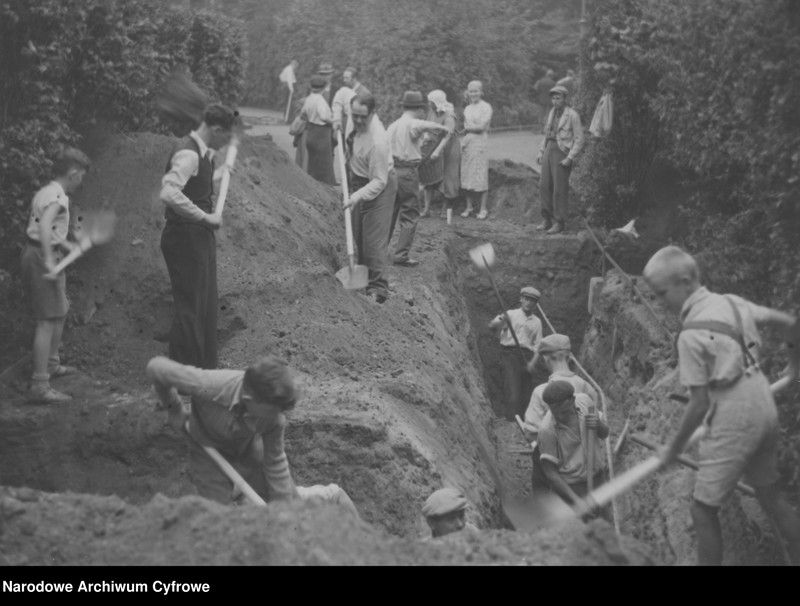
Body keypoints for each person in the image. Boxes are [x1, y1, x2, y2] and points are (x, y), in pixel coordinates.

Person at [643, 245, 800, 566]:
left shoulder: (690, 335)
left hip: (734, 415)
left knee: (702, 509)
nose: (660, 302)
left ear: (686, 281)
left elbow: (699, 403)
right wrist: (795, 365)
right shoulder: (732, 302)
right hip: (762, 401)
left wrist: (673, 449)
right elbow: (790, 323)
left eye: (662, 293)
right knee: (770, 496)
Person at [147, 354, 300, 504]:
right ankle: (237, 499)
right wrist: (174, 408)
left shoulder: (274, 418)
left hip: (247, 448)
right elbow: (156, 367)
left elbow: (275, 463)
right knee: (220, 512)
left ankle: (244, 497)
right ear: (249, 401)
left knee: (292, 501)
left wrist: (283, 509)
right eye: (271, 412)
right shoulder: (208, 386)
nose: (276, 415)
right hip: (206, 450)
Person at [160, 103, 237, 370]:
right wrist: (205, 217)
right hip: (185, 237)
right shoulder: (188, 153)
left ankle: (201, 371)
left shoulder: (201, 154)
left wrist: (218, 173)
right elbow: (169, 193)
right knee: (191, 308)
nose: (227, 143)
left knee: (203, 303)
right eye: (226, 137)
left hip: (197, 236)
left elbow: (195, 184)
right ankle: (182, 376)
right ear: (216, 130)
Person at [21, 147, 91, 402]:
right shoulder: (58, 198)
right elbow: (46, 226)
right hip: (42, 256)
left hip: (39, 252)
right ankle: (40, 385)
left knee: (59, 311)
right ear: (73, 173)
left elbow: (43, 227)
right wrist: (51, 261)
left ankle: (51, 363)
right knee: (47, 321)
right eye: (81, 175)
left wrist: (67, 246)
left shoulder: (47, 191)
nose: (81, 180)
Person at [343, 94, 398, 303]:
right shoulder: (355, 118)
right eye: (354, 115)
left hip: (380, 186)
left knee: (373, 242)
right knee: (359, 235)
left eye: (362, 117)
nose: (357, 121)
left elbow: (379, 181)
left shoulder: (378, 141)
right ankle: (362, 281)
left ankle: (378, 291)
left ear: (373, 114)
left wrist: (356, 196)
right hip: (359, 180)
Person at [386, 90, 449, 267]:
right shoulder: (411, 124)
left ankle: (377, 250)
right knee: (410, 213)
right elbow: (418, 126)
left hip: (391, 172)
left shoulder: (393, 126)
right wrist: (441, 128)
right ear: (419, 109)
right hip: (407, 172)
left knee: (389, 213)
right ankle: (401, 255)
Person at [534, 381, 608, 508]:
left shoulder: (585, 402)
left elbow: (604, 434)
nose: (561, 417)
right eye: (556, 414)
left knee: (603, 523)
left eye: (564, 412)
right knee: (581, 527)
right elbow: (550, 473)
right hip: (573, 487)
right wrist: (576, 501)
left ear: (572, 400)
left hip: (598, 479)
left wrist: (599, 425)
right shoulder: (547, 431)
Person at [522, 333, 598, 438]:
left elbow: (531, 433)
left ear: (545, 359)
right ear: (569, 358)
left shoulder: (541, 392)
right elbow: (594, 426)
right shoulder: (588, 389)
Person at [488, 286, 543, 421]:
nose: (529, 303)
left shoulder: (537, 322)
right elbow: (492, 326)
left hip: (526, 357)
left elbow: (538, 347)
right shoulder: (510, 314)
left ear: (536, 304)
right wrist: (501, 323)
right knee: (513, 392)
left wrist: (531, 364)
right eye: (527, 299)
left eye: (533, 301)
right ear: (521, 299)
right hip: (509, 355)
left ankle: (525, 426)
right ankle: (512, 423)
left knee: (526, 395)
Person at [537, 85, 584, 235]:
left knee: (559, 189)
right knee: (544, 185)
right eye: (553, 98)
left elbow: (580, 139)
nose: (555, 101)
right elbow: (547, 134)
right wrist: (541, 151)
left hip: (562, 151)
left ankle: (560, 222)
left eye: (558, 98)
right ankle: (546, 219)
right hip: (549, 148)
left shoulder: (572, 115)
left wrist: (570, 158)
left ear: (565, 99)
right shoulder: (551, 112)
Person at [418, 90, 460, 219]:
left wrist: (437, 151)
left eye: (430, 102)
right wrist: (425, 137)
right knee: (428, 174)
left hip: (449, 148)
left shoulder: (449, 116)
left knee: (448, 177)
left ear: (436, 102)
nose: (428, 104)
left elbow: (448, 135)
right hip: (433, 145)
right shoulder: (431, 112)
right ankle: (426, 209)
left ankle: (444, 210)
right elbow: (427, 127)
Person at [460, 80, 493, 220]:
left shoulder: (486, 107)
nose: (473, 93)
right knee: (467, 174)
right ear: (468, 92)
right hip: (468, 142)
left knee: (480, 174)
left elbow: (482, 127)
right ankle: (469, 207)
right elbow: (468, 125)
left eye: (476, 91)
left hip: (480, 143)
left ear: (481, 92)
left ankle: (483, 209)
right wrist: (468, 131)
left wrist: (468, 129)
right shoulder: (467, 109)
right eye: (471, 91)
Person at [300, 75, 335, 185]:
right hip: (321, 135)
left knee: (313, 164)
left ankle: (313, 186)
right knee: (323, 165)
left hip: (311, 132)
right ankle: (325, 189)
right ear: (323, 88)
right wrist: (333, 121)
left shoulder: (308, 99)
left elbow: (303, 113)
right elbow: (324, 116)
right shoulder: (320, 100)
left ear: (311, 87)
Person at [332, 66, 370, 141]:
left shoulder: (364, 93)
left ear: (354, 78)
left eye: (347, 78)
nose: (344, 80)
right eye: (344, 78)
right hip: (345, 132)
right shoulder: (345, 92)